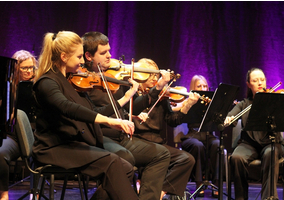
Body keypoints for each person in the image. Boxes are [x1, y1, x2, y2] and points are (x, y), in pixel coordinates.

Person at [32, 31, 139, 200]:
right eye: (79, 56)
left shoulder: (67, 80)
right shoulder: (47, 82)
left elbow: (93, 112)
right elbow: (68, 108)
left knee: (125, 167)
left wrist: (118, 110)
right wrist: (109, 121)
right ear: (64, 56)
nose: (82, 61)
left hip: (70, 144)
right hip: (53, 148)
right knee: (112, 162)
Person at [82, 31, 171, 200]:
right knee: (125, 159)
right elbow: (93, 115)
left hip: (121, 137)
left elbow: (132, 108)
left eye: (109, 51)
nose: (109, 56)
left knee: (161, 154)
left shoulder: (113, 77)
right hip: (101, 136)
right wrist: (124, 98)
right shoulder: (83, 83)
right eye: (103, 53)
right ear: (88, 56)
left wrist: (156, 89)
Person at [131, 58, 198, 200]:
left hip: (156, 142)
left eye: (156, 74)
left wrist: (187, 105)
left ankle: (160, 193)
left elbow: (173, 120)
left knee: (187, 159)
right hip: (136, 142)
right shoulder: (132, 93)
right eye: (150, 74)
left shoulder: (161, 96)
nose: (155, 78)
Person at [224, 68, 284, 200]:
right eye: (255, 80)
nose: (260, 83)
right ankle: (241, 198)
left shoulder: (273, 99)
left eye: (262, 80)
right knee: (236, 157)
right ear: (248, 84)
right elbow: (231, 115)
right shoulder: (244, 104)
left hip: (270, 142)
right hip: (249, 144)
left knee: (271, 153)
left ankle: (268, 197)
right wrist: (228, 118)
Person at [0, 50, 37, 200]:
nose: (29, 71)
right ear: (15, 68)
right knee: (0, 152)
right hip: (13, 135)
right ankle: (4, 194)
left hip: (34, 134)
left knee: (41, 150)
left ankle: (36, 193)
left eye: (31, 68)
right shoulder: (6, 87)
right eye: (24, 68)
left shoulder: (40, 85)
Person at [174, 75, 220, 198]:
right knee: (197, 145)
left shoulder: (211, 102)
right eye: (199, 86)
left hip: (209, 134)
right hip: (192, 134)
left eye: (205, 86)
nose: (203, 88)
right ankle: (199, 183)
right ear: (193, 88)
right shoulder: (189, 100)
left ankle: (216, 184)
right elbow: (177, 114)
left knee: (217, 144)